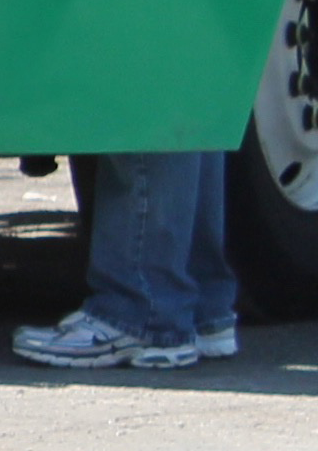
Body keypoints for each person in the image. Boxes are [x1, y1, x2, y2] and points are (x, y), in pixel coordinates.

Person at [15, 152, 239, 370]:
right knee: (193, 122)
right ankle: (202, 311)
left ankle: (142, 311)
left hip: (146, 314)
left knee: (144, 125)